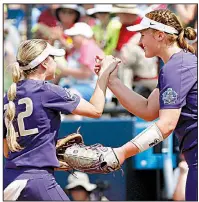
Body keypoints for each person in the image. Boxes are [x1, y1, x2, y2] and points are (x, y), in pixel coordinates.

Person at [95, 9, 197, 201]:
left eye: (143, 35)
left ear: (160, 35)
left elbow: (166, 125)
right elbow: (149, 109)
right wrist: (113, 81)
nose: (140, 42)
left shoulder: (177, 66)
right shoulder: (176, 64)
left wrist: (123, 152)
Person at [3, 39, 120, 200]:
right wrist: (104, 74)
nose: (56, 63)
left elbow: (7, 150)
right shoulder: (48, 90)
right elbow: (96, 110)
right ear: (44, 63)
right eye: (54, 58)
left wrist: (46, 154)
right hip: (37, 180)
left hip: (8, 180)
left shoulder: (8, 97)